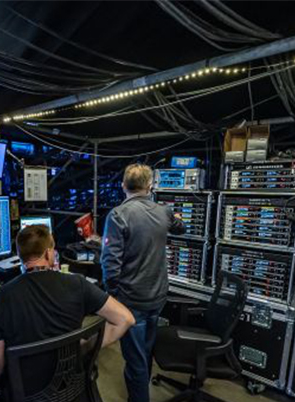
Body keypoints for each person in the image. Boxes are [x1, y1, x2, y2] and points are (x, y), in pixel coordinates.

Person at [0, 225, 135, 394]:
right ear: (49, 253)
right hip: (72, 387)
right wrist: (86, 347)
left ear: (20, 256)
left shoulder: (0, 298)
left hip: (27, 393)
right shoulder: (78, 284)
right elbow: (125, 319)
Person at [101, 163, 186, 402]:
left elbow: (110, 263)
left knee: (135, 359)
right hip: (157, 296)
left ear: (123, 186)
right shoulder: (164, 212)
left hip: (131, 300)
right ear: (150, 186)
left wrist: (114, 295)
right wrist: (176, 217)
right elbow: (181, 228)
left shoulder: (118, 215)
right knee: (145, 351)